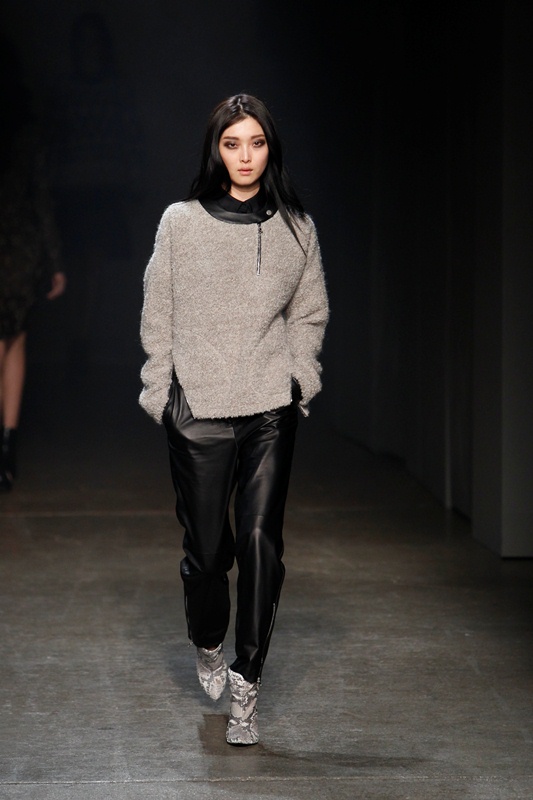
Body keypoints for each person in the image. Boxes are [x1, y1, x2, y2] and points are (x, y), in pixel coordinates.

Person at [139, 93, 329, 745]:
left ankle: (248, 683)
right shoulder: (180, 223)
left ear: (270, 149)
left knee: (260, 542)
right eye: (232, 143)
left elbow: (308, 311)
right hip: (198, 409)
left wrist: (299, 377)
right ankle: (207, 638)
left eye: (256, 142)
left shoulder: (296, 228)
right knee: (206, 554)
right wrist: (161, 392)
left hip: (269, 407)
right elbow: (159, 310)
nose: (245, 156)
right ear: (215, 150)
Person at [0, 40, 67, 492]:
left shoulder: (27, 134)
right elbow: (41, 198)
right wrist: (55, 261)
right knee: (15, 340)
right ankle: (7, 448)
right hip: (22, 248)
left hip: (14, 246)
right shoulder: (28, 131)